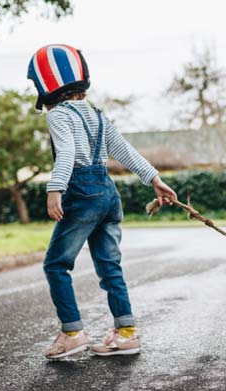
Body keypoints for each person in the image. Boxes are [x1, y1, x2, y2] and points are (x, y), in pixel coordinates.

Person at [27, 44, 177, 359]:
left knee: (55, 264)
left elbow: (66, 153)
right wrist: (154, 179)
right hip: (108, 193)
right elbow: (123, 149)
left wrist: (54, 189)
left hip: (82, 194)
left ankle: (72, 333)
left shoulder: (58, 115)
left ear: (47, 82)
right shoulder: (97, 114)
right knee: (110, 266)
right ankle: (126, 333)